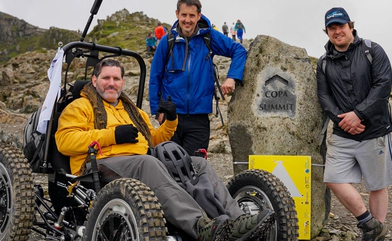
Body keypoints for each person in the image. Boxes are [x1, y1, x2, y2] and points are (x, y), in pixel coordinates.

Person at [55, 59, 274, 241]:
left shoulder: (132, 110)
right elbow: (64, 141)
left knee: (197, 164)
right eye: (106, 78)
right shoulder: (79, 107)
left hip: (139, 161)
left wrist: (170, 120)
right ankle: (201, 226)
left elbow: (153, 139)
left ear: (122, 82)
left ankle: (237, 222)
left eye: (116, 78)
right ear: (94, 81)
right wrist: (111, 135)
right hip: (98, 165)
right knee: (149, 163)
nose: (111, 83)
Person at [316, 7, 392, 241]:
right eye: (332, 28)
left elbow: (383, 86)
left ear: (351, 27)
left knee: (377, 185)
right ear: (327, 32)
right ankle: (368, 223)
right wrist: (344, 120)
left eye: (341, 26)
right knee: (333, 179)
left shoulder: (373, 50)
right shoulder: (323, 62)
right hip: (344, 133)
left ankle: (375, 234)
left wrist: (358, 114)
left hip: (375, 131)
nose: (337, 31)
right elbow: (324, 97)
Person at [149, 0, 247, 156]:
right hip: (171, 117)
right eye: (184, 15)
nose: (187, 20)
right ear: (177, 14)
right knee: (169, 166)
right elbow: (155, 77)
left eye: (192, 16)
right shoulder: (167, 41)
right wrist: (157, 111)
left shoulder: (208, 37)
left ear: (199, 16)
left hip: (199, 117)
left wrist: (232, 77)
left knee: (196, 166)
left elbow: (239, 50)